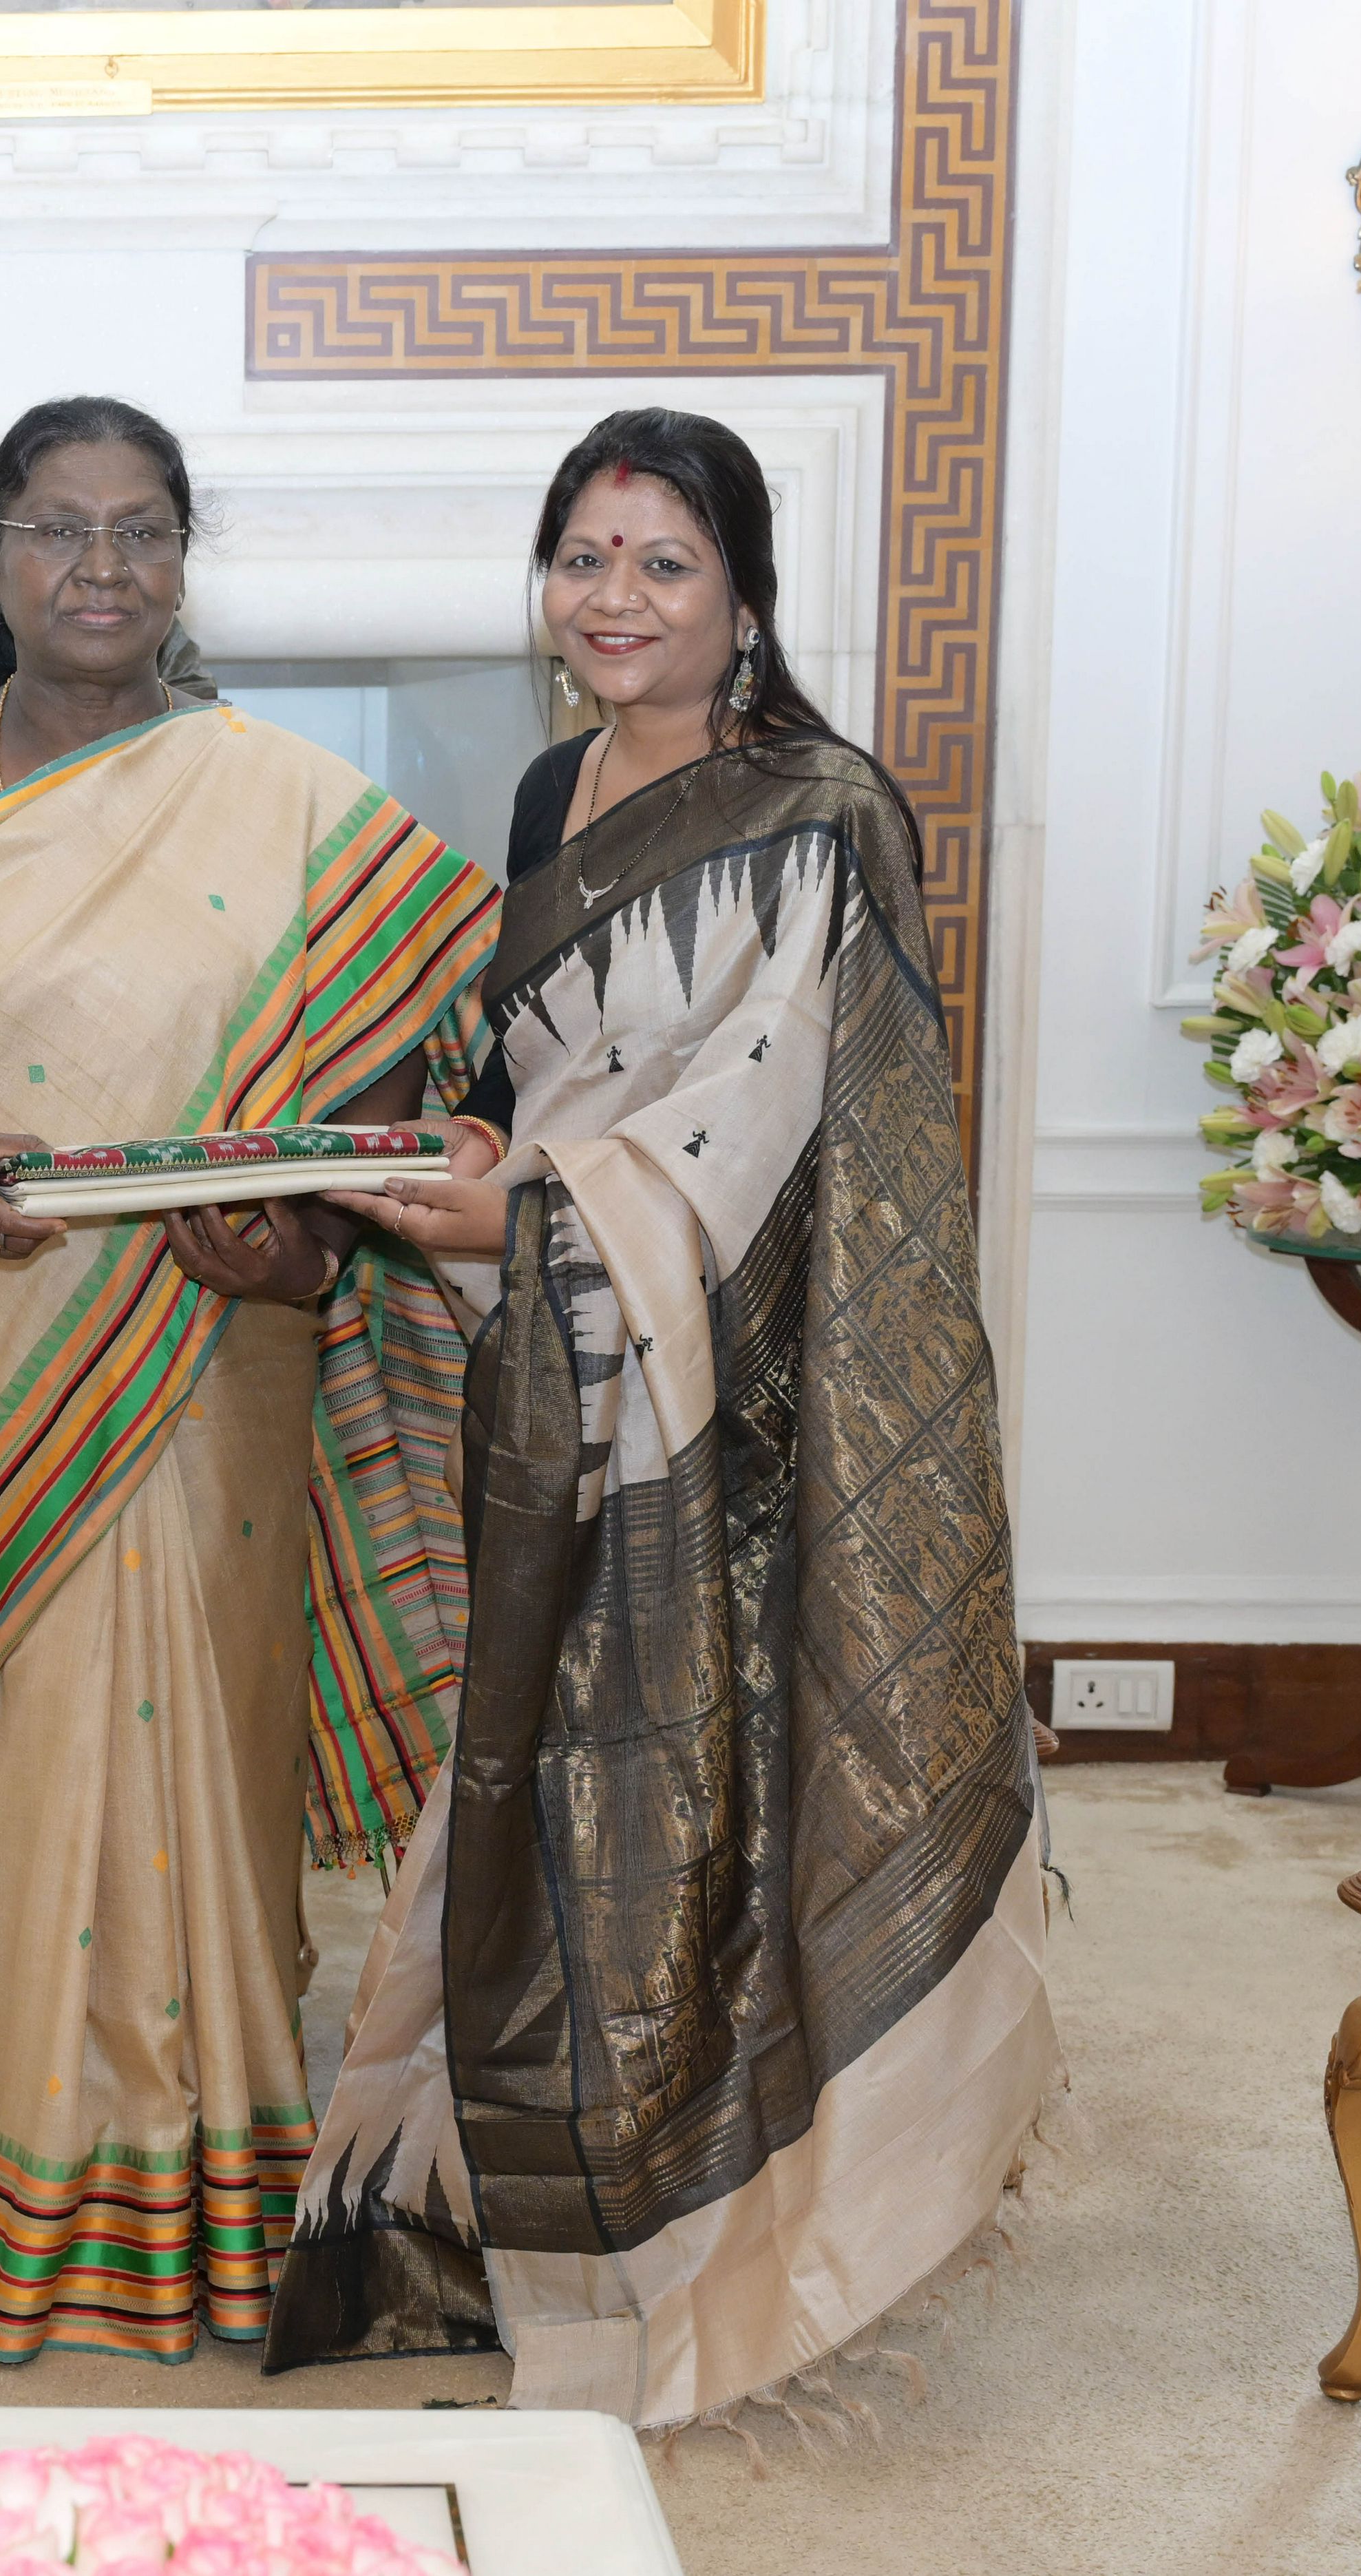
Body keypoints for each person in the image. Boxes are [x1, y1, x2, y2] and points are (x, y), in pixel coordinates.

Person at [265, 408, 1057, 2427]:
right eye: (584, 557)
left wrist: (530, 1208)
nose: (614, 599)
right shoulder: (556, 792)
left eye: (664, 563)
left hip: (742, 1398)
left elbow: (779, 1135)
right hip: (565, 1374)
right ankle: (536, 2211)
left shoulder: (820, 810)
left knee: (716, 1791)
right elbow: (549, 1087)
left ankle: (739, 2244)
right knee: (542, 1775)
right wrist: (471, 1160)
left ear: (745, 597)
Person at [0, 396, 496, 2366]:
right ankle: (11, 2185)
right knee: (17, 1760)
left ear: (184, 559)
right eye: (59, 529)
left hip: (222, 1356)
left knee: (205, 1770)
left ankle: (223, 2188)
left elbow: (388, 1097)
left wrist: (303, 1249)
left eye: (143, 529)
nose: (101, 567)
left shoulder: (292, 801)